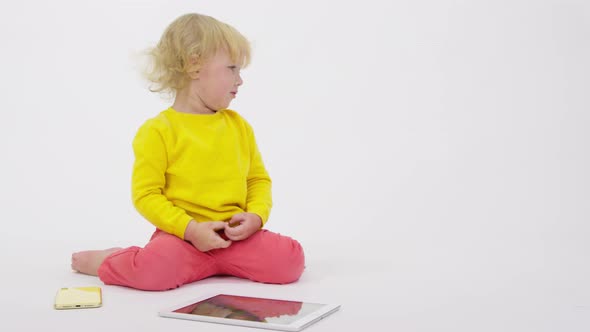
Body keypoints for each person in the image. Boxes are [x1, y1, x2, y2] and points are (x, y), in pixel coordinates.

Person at [70, 13, 305, 291]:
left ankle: (211, 265)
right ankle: (110, 260)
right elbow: (146, 195)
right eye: (232, 68)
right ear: (194, 66)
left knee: (289, 261)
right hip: (182, 239)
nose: (239, 80)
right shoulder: (159, 130)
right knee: (153, 273)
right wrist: (191, 230)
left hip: (234, 237)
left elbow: (257, 180)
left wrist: (255, 217)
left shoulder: (239, 126)